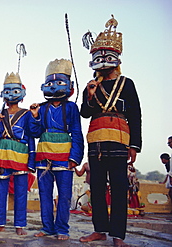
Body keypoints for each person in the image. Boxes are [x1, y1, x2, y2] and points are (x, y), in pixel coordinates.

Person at [79, 15, 142, 247]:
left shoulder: (127, 83)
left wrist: (134, 145)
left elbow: (135, 114)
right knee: (96, 186)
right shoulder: (91, 85)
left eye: (106, 56)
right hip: (95, 141)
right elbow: (85, 113)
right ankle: (99, 230)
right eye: (97, 56)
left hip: (118, 140)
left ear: (116, 58)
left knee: (118, 188)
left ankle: (118, 236)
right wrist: (90, 95)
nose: (101, 60)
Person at [28, 59, 84, 240]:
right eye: (49, 83)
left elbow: (76, 133)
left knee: (65, 195)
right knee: (45, 195)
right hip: (43, 156)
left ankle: (62, 228)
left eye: (59, 83)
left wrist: (75, 158)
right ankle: (47, 227)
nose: (53, 87)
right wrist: (35, 117)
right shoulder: (41, 108)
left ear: (70, 86)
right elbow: (35, 133)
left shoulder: (71, 107)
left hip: (63, 157)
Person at [0, 72, 35, 235]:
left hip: (20, 153)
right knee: (1, 190)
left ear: (21, 93)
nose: (11, 94)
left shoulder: (27, 114)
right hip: (2, 154)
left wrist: (32, 159)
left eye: (15, 91)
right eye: (8, 91)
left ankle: (20, 225)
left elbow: (31, 135)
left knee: (21, 191)